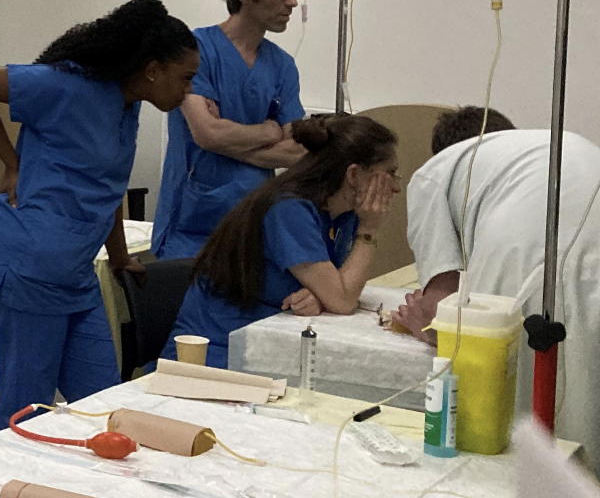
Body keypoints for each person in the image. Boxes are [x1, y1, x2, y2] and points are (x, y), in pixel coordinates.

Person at [0, 0, 200, 428]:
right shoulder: (67, 85)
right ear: (152, 70)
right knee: (27, 411)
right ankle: (14, 489)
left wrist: (121, 255)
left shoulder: (128, 107)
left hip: (75, 275)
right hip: (28, 269)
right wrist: (13, 162)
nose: (189, 91)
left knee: (103, 403)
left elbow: (108, 188)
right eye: (185, 78)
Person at [393, 106, 600, 461]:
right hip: (576, 240)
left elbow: (447, 309)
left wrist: (422, 324)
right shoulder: (547, 145)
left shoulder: (436, 171)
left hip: (529, 252)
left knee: (525, 396)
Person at [166, 115, 399, 369]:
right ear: (353, 174)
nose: (396, 187)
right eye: (390, 173)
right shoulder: (290, 209)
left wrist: (321, 296)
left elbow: (340, 289)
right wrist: (370, 229)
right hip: (219, 351)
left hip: (272, 343)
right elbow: (342, 301)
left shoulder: (344, 214)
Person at [152, 0, 308, 260]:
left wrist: (226, 138)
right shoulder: (196, 51)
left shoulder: (282, 65)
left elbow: (297, 151)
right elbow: (207, 134)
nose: (292, 2)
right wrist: (269, 132)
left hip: (253, 222)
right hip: (192, 226)